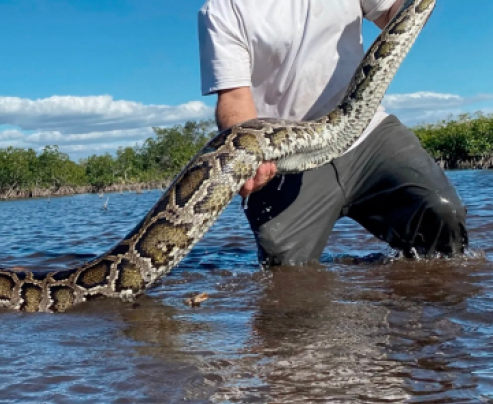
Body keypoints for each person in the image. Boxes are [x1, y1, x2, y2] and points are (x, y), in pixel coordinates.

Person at [197, 0, 468, 266]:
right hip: (287, 154)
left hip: (368, 133)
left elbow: (393, 14)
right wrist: (250, 159)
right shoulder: (222, 10)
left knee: (442, 214)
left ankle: (433, 300)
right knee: (285, 272)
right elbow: (233, 96)